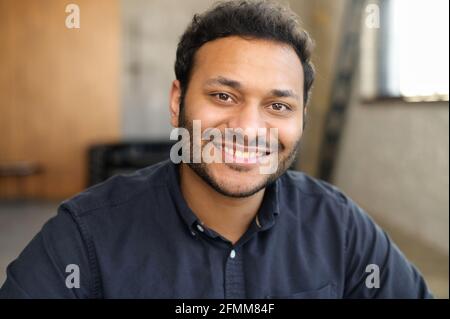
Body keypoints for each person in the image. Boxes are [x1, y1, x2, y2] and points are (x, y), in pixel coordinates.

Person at [0, 0, 431, 298]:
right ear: (177, 102)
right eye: (223, 96)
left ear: (301, 119)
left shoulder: (340, 227)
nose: (247, 129)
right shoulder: (86, 235)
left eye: (278, 106)